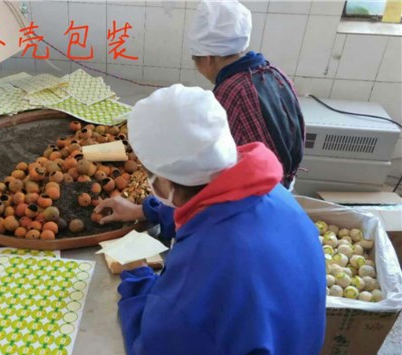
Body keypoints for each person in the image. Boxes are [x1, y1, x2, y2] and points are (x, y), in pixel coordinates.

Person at [117, 84, 325, 355]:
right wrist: (149, 210)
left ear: (164, 179)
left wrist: (136, 281)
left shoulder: (213, 256)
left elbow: (150, 350)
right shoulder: (271, 193)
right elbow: (210, 210)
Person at [95, 0, 305, 242]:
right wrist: (144, 210)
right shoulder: (273, 73)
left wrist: (150, 213)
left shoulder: (231, 94)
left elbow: (204, 185)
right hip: (275, 198)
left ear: (207, 58)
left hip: (247, 212)